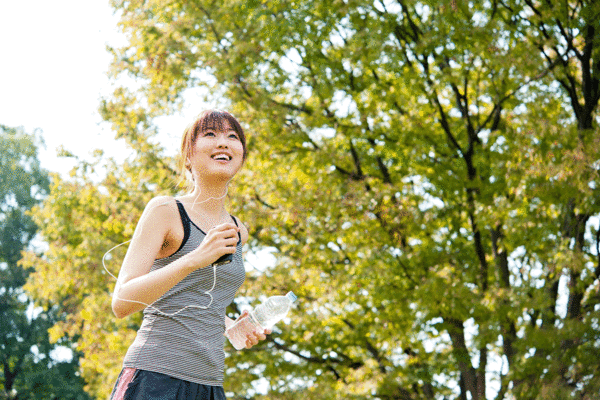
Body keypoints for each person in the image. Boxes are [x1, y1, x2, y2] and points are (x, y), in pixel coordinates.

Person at [108, 110, 269, 400]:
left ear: (241, 157)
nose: (223, 142)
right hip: (154, 377)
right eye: (210, 134)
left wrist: (232, 327)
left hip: (209, 384)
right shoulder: (166, 211)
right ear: (187, 156)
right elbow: (121, 302)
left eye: (232, 137)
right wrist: (195, 258)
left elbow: (194, 298)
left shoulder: (238, 230)